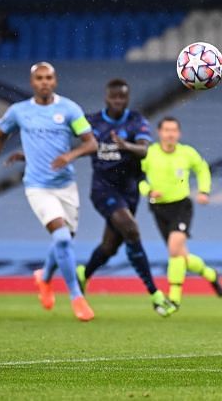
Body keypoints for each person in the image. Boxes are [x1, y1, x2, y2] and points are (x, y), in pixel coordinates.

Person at [0, 62, 98, 321]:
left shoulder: (69, 109)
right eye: (39, 78)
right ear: (32, 82)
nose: (44, 82)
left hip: (66, 186)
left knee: (63, 241)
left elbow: (91, 143)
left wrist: (71, 155)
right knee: (63, 239)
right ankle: (77, 297)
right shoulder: (19, 112)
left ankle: (44, 277)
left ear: (55, 81)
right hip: (37, 187)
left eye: (49, 78)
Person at [77, 79, 176, 317]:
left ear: (128, 97)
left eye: (123, 97)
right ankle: (155, 295)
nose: (118, 101)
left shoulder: (136, 120)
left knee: (110, 246)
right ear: (106, 98)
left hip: (129, 190)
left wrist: (125, 146)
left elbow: (144, 149)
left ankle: (83, 273)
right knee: (131, 229)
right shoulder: (92, 122)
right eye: (114, 97)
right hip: (103, 189)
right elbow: (68, 139)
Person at [139, 117, 222, 308]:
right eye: (166, 130)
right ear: (159, 133)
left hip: (181, 206)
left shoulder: (187, 153)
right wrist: (148, 191)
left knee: (174, 249)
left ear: (179, 133)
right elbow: (137, 178)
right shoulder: (149, 154)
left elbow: (202, 169)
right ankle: (211, 274)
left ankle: (174, 298)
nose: (170, 134)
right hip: (158, 207)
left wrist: (204, 190)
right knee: (181, 255)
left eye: (174, 130)